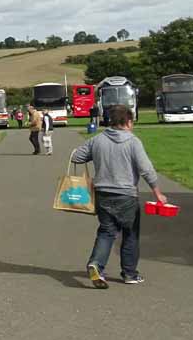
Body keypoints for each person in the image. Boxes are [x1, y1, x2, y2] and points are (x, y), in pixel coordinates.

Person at [72, 104, 167, 288]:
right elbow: (146, 169)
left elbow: (77, 156)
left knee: (107, 232)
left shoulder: (97, 140)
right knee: (130, 234)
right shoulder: (133, 142)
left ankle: (96, 264)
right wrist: (157, 192)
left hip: (103, 194)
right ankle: (130, 273)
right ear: (128, 121)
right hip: (126, 196)